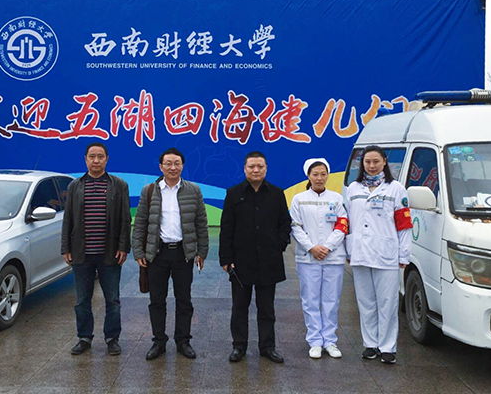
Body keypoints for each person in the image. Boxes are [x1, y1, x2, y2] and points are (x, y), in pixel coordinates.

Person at [132, 148, 209, 361]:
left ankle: (183, 341)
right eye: (168, 163)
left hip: (184, 254)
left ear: (182, 166)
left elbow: (201, 223)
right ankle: (159, 341)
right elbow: (140, 223)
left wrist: (202, 252)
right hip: (157, 254)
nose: (172, 167)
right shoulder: (149, 191)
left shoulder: (193, 190)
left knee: (184, 300)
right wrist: (138, 251)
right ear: (161, 167)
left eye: (177, 163)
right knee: (157, 300)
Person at [219, 151, 292, 363]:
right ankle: (239, 346)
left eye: (260, 166)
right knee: (239, 307)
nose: (256, 170)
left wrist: (278, 244)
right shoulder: (234, 193)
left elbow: (285, 224)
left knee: (266, 308)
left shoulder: (276, 193)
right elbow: (226, 228)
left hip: (269, 260)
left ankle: (267, 347)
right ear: (245, 169)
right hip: (241, 262)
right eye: (251, 166)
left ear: (266, 168)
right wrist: (226, 258)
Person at [61, 142, 131, 356]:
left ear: (107, 159)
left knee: (113, 300)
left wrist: (123, 247)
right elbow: (68, 219)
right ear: (85, 159)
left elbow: (125, 219)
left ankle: (112, 338)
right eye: (92, 156)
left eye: (100, 156)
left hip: (109, 253)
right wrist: (66, 248)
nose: (96, 160)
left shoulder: (118, 185)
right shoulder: (75, 186)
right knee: (82, 300)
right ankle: (84, 337)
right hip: (82, 253)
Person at [345, 145, 413, 365]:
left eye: (376, 161)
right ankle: (370, 344)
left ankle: (387, 347)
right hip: (360, 252)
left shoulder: (396, 189)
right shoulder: (353, 188)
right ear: (362, 163)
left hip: (386, 254)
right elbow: (347, 221)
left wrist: (404, 255)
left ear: (384, 162)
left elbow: (404, 225)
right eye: (367, 162)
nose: (371, 166)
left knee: (387, 302)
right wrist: (347, 248)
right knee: (365, 302)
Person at [290, 158, 348, 359]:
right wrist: (312, 248)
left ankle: (330, 341)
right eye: (315, 174)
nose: (319, 178)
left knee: (331, 300)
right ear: (308, 176)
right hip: (308, 258)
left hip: (333, 257)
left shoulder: (337, 199)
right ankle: (315, 340)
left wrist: (328, 246)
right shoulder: (299, 199)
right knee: (310, 300)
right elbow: (295, 227)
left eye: (323, 174)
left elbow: (342, 225)